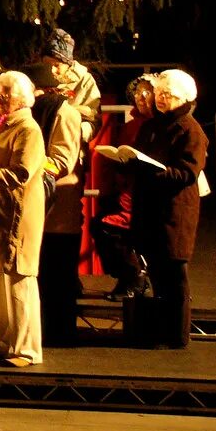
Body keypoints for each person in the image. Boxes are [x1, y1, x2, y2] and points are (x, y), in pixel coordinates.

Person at [127, 69, 208, 349]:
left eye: (168, 95)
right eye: (159, 94)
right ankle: (159, 331)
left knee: (175, 275)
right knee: (158, 273)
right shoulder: (152, 125)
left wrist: (152, 173)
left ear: (184, 98)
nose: (160, 99)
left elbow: (187, 173)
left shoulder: (190, 129)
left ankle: (177, 336)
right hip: (150, 209)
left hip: (175, 212)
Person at [0, 71, 46, 367]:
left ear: (23, 98)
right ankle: (6, 342)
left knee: (19, 282)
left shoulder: (28, 129)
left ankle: (26, 349)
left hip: (17, 215)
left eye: (6, 93)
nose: (0, 98)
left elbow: (21, 174)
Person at [23, 62, 83, 346]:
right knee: (44, 273)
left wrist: (26, 169)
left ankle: (62, 334)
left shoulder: (64, 113)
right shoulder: (33, 112)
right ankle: (45, 331)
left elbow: (63, 159)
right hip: (37, 205)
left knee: (60, 273)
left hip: (59, 204)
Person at [92, 75, 156, 300]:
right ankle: (127, 275)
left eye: (147, 91)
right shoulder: (131, 125)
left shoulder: (160, 126)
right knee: (99, 224)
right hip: (125, 188)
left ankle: (135, 275)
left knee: (109, 227)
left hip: (147, 194)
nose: (141, 97)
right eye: (138, 92)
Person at [41, 28, 101, 142]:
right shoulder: (38, 78)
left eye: (57, 65)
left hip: (71, 147)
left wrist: (76, 133)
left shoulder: (84, 81)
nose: (52, 70)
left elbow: (94, 119)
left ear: (67, 64)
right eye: (48, 65)